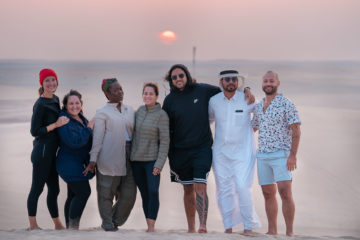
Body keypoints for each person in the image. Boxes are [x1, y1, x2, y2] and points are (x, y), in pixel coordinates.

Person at [162, 64, 254, 233]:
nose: (178, 79)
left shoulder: (203, 90)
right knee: (187, 188)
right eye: (174, 77)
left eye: (181, 75)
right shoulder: (169, 100)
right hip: (179, 151)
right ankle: (191, 228)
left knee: (200, 185)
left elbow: (227, 89)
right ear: (171, 81)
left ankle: (202, 225)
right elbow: (165, 127)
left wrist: (246, 89)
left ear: (187, 76)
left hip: (202, 148)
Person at [209, 70, 261, 235]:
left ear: (238, 82)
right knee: (224, 189)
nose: (231, 82)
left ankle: (249, 226)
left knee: (242, 187)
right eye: (227, 79)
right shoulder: (214, 101)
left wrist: (249, 131)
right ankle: (229, 227)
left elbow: (259, 115)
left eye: (234, 79)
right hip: (220, 152)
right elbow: (208, 120)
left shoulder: (247, 98)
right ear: (221, 82)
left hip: (243, 152)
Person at [251, 71, 301, 237]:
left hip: (281, 154)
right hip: (262, 155)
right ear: (262, 84)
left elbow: (296, 131)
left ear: (278, 83)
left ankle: (289, 233)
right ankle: (272, 231)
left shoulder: (286, 103)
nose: (268, 84)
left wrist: (292, 155)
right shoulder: (259, 106)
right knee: (267, 193)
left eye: (271, 81)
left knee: (285, 192)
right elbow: (254, 127)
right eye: (265, 81)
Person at [84, 78, 137, 231]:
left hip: (129, 155)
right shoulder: (102, 113)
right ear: (107, 95)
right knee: (106, 192)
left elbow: (135, 132)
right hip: (109, 156)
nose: (120, 92)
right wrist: (93, 160)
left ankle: (114, 220)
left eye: (121, 89)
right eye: (115, 90)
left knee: (129, 194)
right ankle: (108, 225)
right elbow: (98, 138)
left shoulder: (130, 110)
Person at [27, 68, 69, 230]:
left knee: (55, 189)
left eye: (53, 79)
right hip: (42, 152)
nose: (51, 83)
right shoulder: (40, 104)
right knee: (37, 189)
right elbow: (34, 131)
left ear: (57, 81)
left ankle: (57, 224)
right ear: (42, 84)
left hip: (52, 153)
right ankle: (33, 224)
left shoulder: (55, 98)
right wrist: (56, 125)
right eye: (47, 81)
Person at [130, 82, 170, 232]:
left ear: (156, 96)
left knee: (153, 191)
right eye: (145, 93)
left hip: (152, 161)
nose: (147, 96)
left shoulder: (162, 115)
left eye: (150, 94)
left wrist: (159, 164)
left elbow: (165, 141)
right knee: (144, 194)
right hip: (136, 161)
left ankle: (152, 226)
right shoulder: (139, 111)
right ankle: (149, 225)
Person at [56, 90, 95, 230]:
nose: (74, 106)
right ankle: (73, 228)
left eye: (77, 103)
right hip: (68, 163)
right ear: (65, 105)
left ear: (81, 104)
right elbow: (74, 142)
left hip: (77, 162)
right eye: (70, 103)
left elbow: (87, 141)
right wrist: (89, 128)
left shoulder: (80, 118)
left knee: (73, 194)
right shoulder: (64, 119)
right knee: (84, 192)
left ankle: (69, 228)